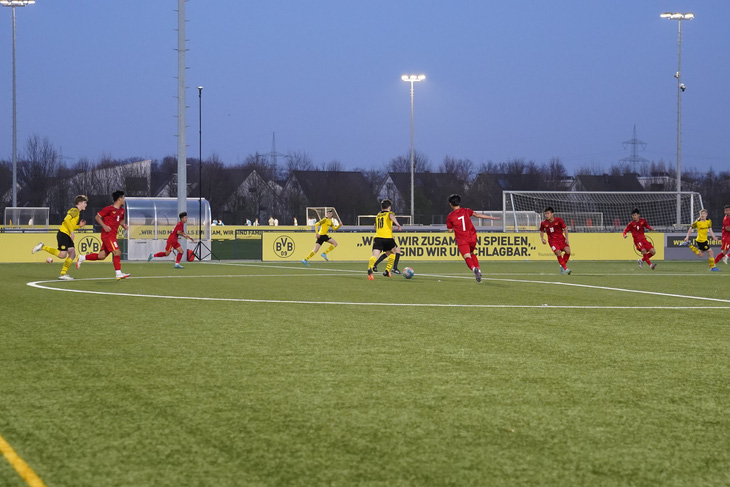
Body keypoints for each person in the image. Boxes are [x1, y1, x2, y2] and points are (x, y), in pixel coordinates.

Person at [445, 193, 500, 282]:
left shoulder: (450, 216)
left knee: (467, 256)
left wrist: (452, 227)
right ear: (459, 202)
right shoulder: (466, 211)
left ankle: (474, 269)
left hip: (462, 239)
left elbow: (450, 231)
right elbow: (477, 215)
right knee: (471, 253)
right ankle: (479, 269)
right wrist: (490, 217)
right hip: (472, 237)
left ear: (450, 204)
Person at [76, 190, 130, 280]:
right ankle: (118, 273)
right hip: (107, 235)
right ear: (119, 199)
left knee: (102, 256)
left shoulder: (122, 211)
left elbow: (120, 221)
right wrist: (104, 226)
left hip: (113, 235)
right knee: (117, 252)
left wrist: (124, 226)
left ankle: (82, 257)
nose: (124, 199)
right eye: (123, 198)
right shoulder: (109, 209)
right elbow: (97, 217)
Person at [32, 195, 88, 280]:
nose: (86, 204)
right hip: (63, 233)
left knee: (72, 253)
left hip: (65, 234)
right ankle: (42, 247)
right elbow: (66, 219)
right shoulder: (75, 210)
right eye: (84, 203)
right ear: (79, 203)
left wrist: (78, 226)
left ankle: (63, 274)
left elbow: (70, 224)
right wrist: (72, 232)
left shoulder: (76, 211)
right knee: (62, 255)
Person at [367, 199, 402, 280]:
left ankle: (370, 268)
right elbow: (391, 216)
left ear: (381, 207)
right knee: (394, 252)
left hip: (378, 237)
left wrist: (388, 228)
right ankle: (387, 270)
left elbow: (375, 227)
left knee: (374, 255)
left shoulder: (378, 215)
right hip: (388, 238)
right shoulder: (389, 213)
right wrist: (398, 224)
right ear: (389, 207)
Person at [539, 207, 572, 275]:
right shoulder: (543, 223)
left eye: (548, 213)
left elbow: (565, 229)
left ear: (552, 214)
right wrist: (542, 239)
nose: (546, 215)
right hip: (552, 242)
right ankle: (566, 269)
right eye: (545, 214)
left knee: (568, 251)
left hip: (561, 240)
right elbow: (541, 231)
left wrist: (566, 238)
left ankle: (562, 266)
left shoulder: (559, 220)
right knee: (557, 252)